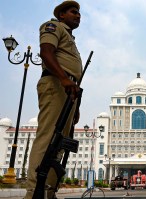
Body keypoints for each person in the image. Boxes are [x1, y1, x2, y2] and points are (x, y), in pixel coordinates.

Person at [25, 1, 82, 198]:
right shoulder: (53, 27)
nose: (78, 15)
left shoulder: (71, 40)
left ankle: (48, 191)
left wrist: (76, 106)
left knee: (58, 143)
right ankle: (35, 191)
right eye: (73, 12)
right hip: (56, 84)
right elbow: (46, 53)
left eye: (79, 13)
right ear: (62, 15)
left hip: (69, 91)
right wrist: (65, 79)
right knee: (48, 137)